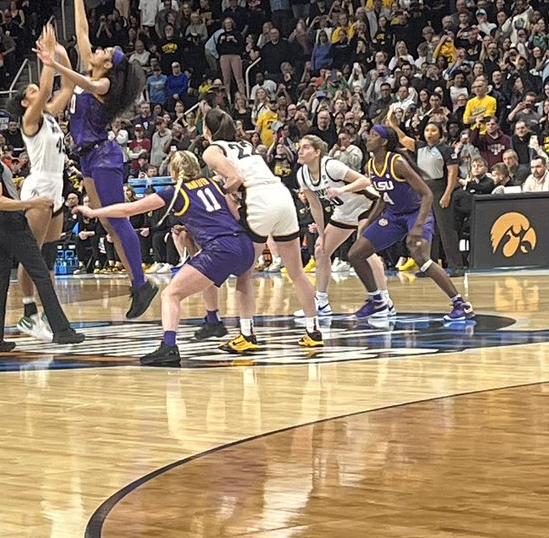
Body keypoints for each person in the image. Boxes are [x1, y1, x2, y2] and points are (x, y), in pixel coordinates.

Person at [35, 0, 157, 321]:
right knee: (106, 223)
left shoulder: (102, 88)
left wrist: (56, 64)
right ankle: (138, 283)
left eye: (104, 51)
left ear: (107, 66)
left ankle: (141, 283)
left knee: (117, 222)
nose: (98, 49)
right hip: (87, 159)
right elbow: (82, 32)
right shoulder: (95, 73)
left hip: (104, 157)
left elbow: (77, 82)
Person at [78, 151, 256, 367]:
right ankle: (212, 321)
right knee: (204, 269)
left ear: (173, 171)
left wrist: (94, 212)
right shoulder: (215, 184)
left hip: (220, 249)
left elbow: (129, 209)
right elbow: (235, 214)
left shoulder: (175, 192)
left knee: (170, 294)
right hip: (244, 245)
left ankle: (169, 346)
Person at [0, 118, 84, 353]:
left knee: (0, 280)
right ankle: (61, 330)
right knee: (40, 271)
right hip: (6, 220)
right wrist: (31, 202)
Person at [201, 108, 323, 351]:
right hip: (281, 196)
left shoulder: (212, 150)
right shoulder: (244, 145)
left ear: (207, 130)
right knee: (297, 272)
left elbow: (234, 179)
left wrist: (219, 194)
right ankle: (313, 330)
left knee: (245, 274)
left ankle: (246, 335)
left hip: (259, 199)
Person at [346, 126, 474, 324]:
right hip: (393, 216)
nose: (368, 138)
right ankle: (377, 299)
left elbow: (427, 194)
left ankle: (460, 304)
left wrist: (417, 226)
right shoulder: (370, 165)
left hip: (415, 213)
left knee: (421, 258)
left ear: (384, 142)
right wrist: (367, 223)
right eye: (368, 134)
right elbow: (383, 196)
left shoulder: (397, 163)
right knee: (355, 254)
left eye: (374, 135)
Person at [15, 23, 74, 342]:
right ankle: (28, 312)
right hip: (38, 187)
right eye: (32, 93)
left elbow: (65, 87)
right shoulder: (30, 119)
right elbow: (49, 85)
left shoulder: (50, 115)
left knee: (48, 258)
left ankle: (48, 313)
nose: (38, 93)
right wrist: (48, 59)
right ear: (26, 102)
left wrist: (60, 52)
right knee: (32, 254)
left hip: (58, 188)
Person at [295, 135, 390, 321]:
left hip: (367, 205)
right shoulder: (302, 174)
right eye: (300, 147)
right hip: (345, 211)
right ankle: (321, 302)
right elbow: (315, 205)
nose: (300, 150)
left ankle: (384, 301)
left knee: (364, 250)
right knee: (321, 251)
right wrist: (322, 235)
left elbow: (365, 181)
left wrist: (341, 190)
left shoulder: (331, 166)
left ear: (317, 152)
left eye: (305, 147)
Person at [387, 113, 462, 273]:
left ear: (440, 133)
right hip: (423, 190)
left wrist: (447, 193)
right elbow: (402, 138)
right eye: (427, 130)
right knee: (427, 229)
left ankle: (456, 266)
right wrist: (392, 123)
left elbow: (452, 172)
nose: (429, 133)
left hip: (440, 188)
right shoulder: (419, 146)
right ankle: (429, 266)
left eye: (433, 130)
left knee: (446, 229)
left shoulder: (446, 149)